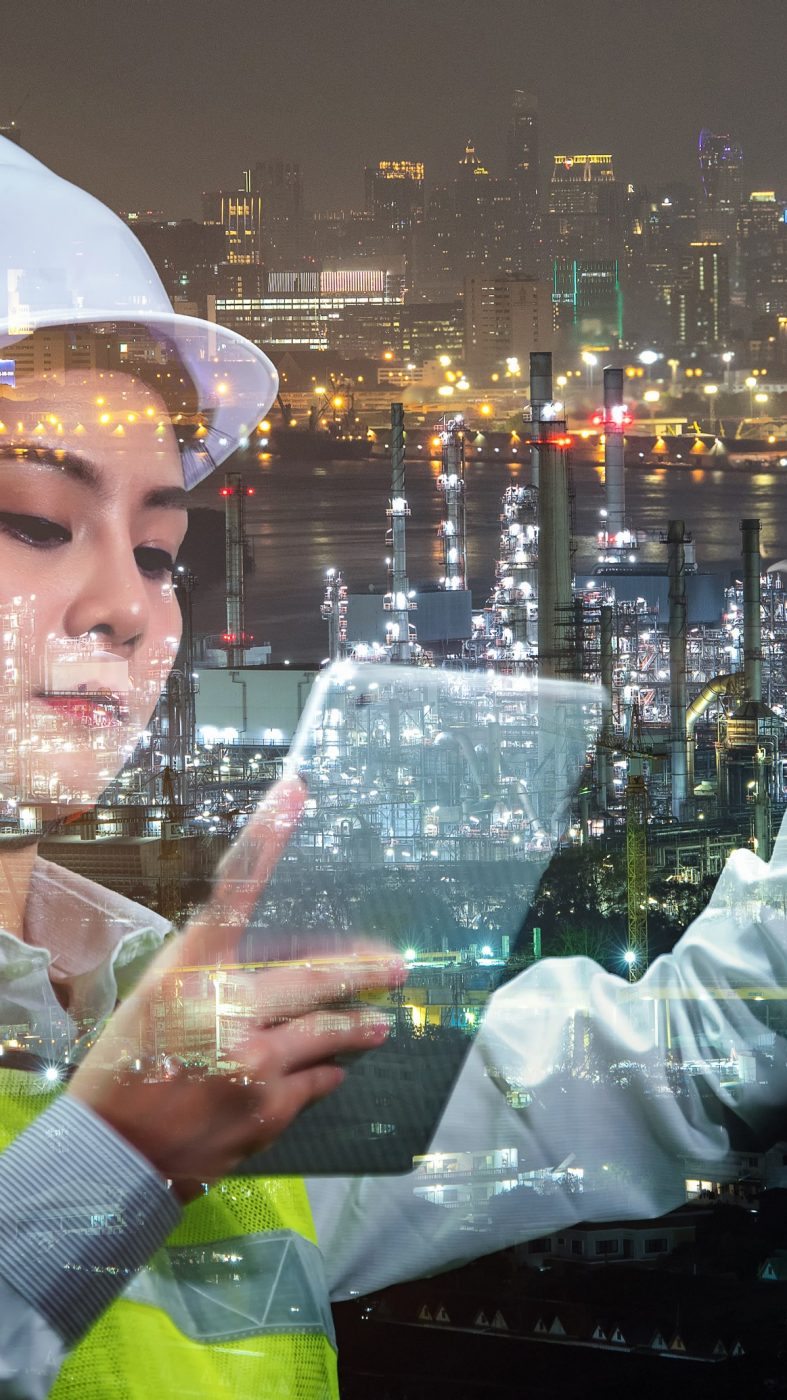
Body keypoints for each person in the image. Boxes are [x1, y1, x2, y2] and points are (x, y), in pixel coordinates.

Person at [2, 135, 787, 1398]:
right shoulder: (161, 1091)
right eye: (33, 518)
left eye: (157, 547)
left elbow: (683, 1062)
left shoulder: (181, 1028)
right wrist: (110, 1153)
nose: (132, 607)